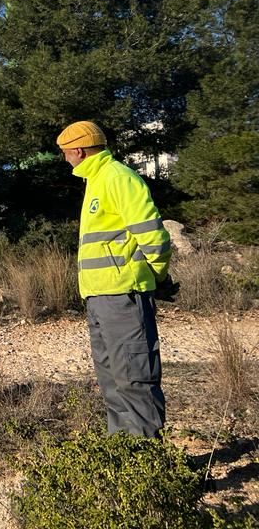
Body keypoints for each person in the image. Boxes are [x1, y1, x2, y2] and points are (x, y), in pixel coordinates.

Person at [57, 120, 178, 438]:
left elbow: (153, 235)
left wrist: (157, 275)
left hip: (123, 297)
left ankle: (147, 467)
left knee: (134, 380)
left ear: (79, 150)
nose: (65, 159)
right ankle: (123, 457)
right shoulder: (96, 182)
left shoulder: (117, 177)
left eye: (66, 153)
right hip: (100, 299)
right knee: (112, 381)